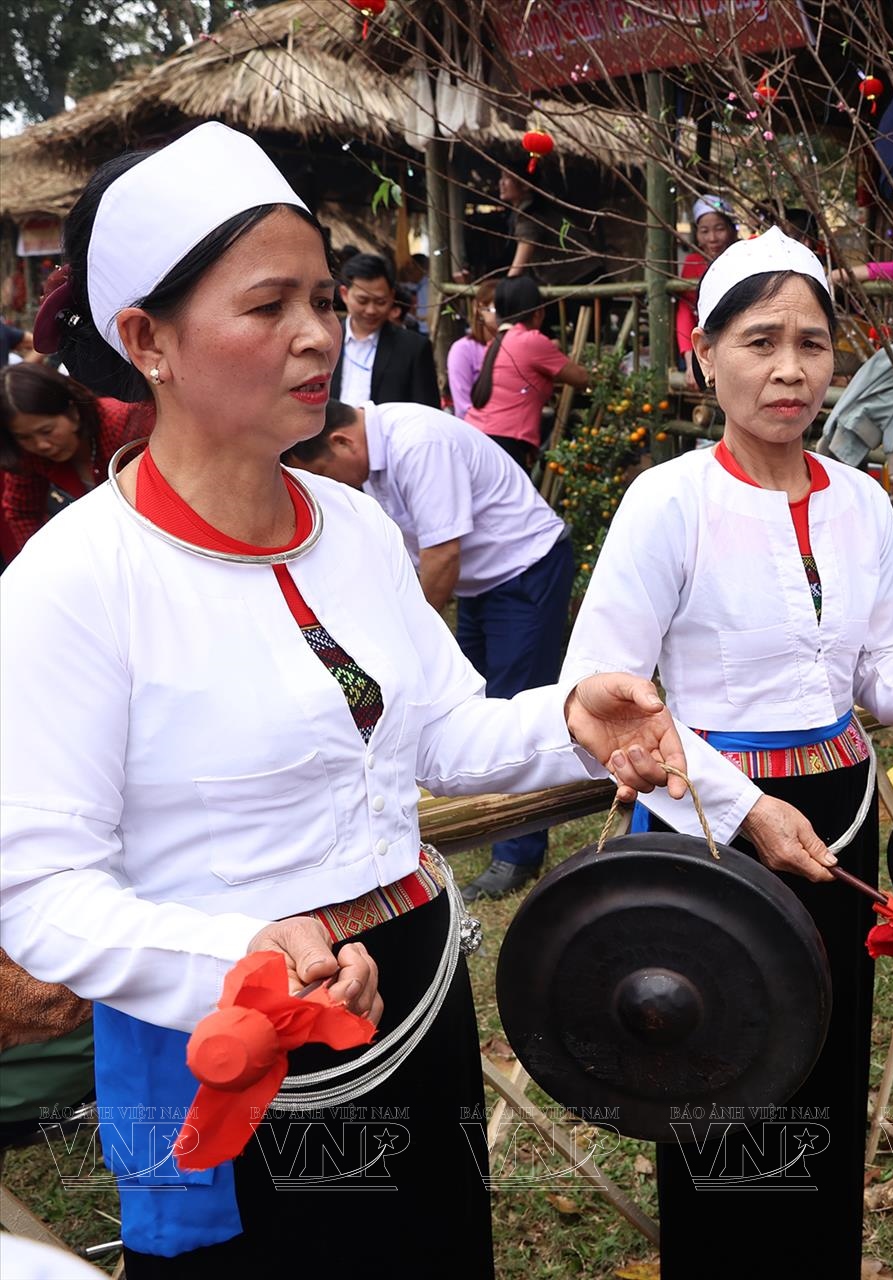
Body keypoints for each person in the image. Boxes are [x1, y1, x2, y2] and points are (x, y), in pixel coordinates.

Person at [0, 122, 689, 1276]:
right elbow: (39, 892)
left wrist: (568, 718)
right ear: (145, 339)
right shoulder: (74, 584)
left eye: (324, 296)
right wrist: (239, 952)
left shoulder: (358, 531)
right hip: (233, 1033)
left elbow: (436, 729)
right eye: (269, 307)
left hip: (412, 982)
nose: (319, 333)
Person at [560, 227, 893, 1279]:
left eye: (812, 341)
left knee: (822, 1067)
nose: (791, 368)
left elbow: (881, 659)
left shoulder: (859, 501)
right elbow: (601, 694)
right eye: (759, 340)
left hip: (839, 812)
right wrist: (746, 806)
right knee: (716, 1069)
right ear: (703, 351)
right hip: (713, 829)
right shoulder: (667, 502)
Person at [283, 399, 577, 898]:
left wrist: (402, 638)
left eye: (323, 472)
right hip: (481, 584)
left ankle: (518, 853)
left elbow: (443, 554)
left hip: (525, 572)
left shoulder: (418, 442)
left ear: (341, 442)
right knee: (470, 710)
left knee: (514, 706)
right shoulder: (371, 456)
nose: (333, 485)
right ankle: (494, 824)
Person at [2, 363, 154, 552]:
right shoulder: (28, 454)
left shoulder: (128, 429)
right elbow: (22, 511)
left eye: (47, 431)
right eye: (24, 437)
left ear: (73, 412)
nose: (41, 444)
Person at [464, 275, 591, 470]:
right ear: (538, 313)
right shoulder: (530, 341)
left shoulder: (495, 342)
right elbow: (582, 379)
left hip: (475, 436)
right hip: (504, 442)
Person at [327, 251, 437, 408]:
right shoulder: (326, 341)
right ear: (344, 294)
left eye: (380, 301)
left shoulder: (413, 348)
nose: (371, 310)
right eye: (362, 300)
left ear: (392, 296)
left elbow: (427, 413)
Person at [498, 169, 601, 285]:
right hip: (589, 274)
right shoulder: (539, 209)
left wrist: (503, 291)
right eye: (501, 177)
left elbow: (518, 267)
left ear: (525, 185)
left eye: (507, 178)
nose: (501, 182)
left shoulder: (530, 217)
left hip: (581, 280)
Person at [673, 194, 738, 371]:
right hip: (700, 349)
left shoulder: (741, 258)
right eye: (704, 231)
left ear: (732, 230)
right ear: (697, 234)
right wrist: (689, 362)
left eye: (719, 229)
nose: (712, 238)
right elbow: (685, 312)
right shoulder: (692, 263)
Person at [446, 279, 496, 419]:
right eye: (499, 307)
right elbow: (463, 407)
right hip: (477, 428)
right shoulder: (462, 350)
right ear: (479, 308)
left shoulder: (513, 348)